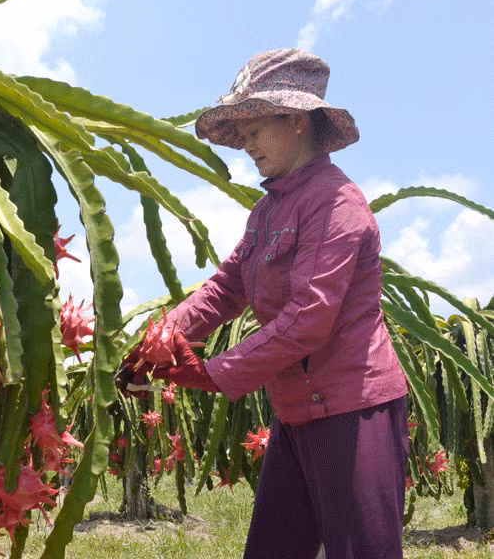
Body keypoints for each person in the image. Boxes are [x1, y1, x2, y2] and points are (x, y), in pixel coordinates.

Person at [116, 49, 410, 559]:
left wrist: (213, 372)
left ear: (295, 120)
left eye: (253, 130)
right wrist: (161, 338)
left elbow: (308, 320)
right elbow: (228, 287)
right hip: (295, 411)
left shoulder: (338, 204)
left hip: (353, 410)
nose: (246, 145)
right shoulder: (268, 209)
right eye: (241, 135)